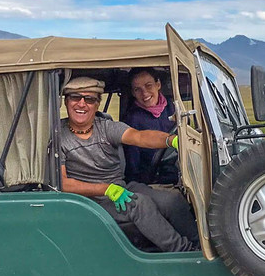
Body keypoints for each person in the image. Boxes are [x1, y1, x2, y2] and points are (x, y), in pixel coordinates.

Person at [59, 76, 199, 253]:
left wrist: (172, 140)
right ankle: (185, 253)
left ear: (97, 104)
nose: (81, 104)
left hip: (120, 187)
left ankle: (201, 247)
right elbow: (63, 183)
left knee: (172, 200)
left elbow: (139, 137)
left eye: (89, 99)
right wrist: (106, 189)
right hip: (88, 200)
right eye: (75, 97)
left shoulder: (106, 127)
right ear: (66, 101)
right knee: (139, 204)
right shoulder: (58, 137)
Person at [122, 68, 178, 185]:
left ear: (158, 84)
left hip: (178, 168)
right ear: (133, 93)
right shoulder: (133, 118)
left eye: (148, 86)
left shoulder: (173, 107)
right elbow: (133, 161)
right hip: (153, 178)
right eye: (138, 89)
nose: (145, 93)